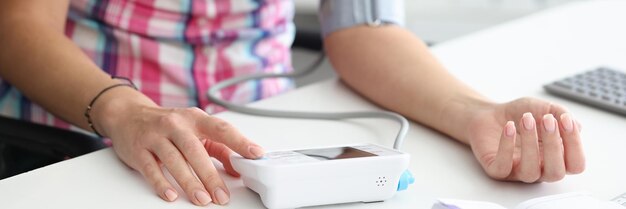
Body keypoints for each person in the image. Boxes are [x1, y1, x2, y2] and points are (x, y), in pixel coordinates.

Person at [0, 0, 584, 206]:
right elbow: (18, 24)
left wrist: (474, 114)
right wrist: (126, 111)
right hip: (81, 137)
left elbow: (364, 27)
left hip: (254, 150)